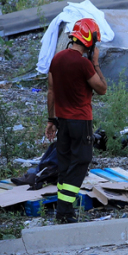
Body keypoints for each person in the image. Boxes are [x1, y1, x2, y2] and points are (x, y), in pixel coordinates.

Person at [44, 18, 107, 224]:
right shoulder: (83, 64)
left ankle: (63, 210)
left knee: (65, 164)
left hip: (62, 121)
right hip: (81, 121)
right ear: (90, 40)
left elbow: (51, 91)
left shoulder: (57, 59)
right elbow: (102, 89)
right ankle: (64, 211)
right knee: (81, 162)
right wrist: (95, 62)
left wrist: (51, 120)